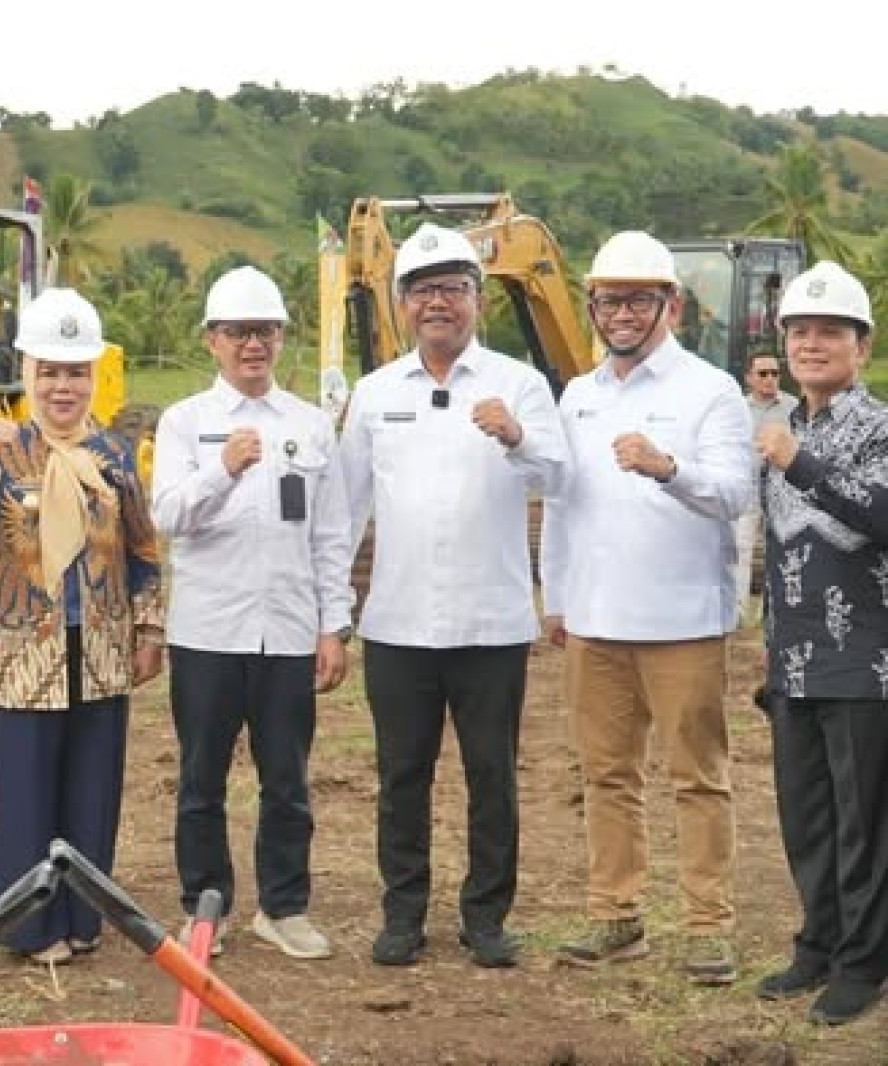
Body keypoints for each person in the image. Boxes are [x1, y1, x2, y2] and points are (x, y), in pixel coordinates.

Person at [339, 224, 567, 969]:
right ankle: (403, 914)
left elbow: (562, 481)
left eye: (455, 288)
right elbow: (345, 511)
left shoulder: (520, 385)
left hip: (491, 623)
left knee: (491, 777)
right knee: (402, 776)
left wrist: (518, 436)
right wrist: (329, 614)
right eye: (425, 289)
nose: (440, 302)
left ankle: (486, 917)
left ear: (479, 301)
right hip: (399, 626)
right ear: (404, 303)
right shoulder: (376, 394)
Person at [541, 230, 753, 984]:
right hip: (596, 623)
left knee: (698, 777)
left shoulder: (711, 390)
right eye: (608, 299)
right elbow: (562, 506)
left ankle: (707, 925)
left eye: (638, 298)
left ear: (673, 304)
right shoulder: (581, 394)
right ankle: (616, 915)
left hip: (683, 624)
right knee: (607, 775)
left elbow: (735, 492)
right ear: (592, 305)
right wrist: (557, 598)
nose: (621, 313)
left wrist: (669, 468)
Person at [0, 288, 163, 965]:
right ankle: (29, 929)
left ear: (94, 375)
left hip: (95, 654)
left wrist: (148, 632)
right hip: (16, 661)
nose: (63, 386)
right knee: (21, 801)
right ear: (26, 371)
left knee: (92, 795)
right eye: (50, 371)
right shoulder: (4, 450)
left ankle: (85, 921)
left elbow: (144, 551)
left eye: (76, 371)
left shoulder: (116, 456)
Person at [152, 266, 354, 960]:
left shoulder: (309, 424)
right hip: (209, 632)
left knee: (288, 781)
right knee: (202, 781)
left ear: (280, 338)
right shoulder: (186, 423)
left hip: (290, 632)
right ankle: (205, 907)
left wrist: (334, 625)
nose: (252, 346)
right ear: (212, 340)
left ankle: (284, 906)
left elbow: (331, 535)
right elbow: (169, 515)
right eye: (237, 333)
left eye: (264, 332)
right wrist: (223, 470)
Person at [753, 261, 888, 1027]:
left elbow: (883, 513)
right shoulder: (787, 426)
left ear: (859, 347)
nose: (810, 343)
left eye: (828, 332)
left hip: (867, 659)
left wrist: (799, 464)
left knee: (863, 818)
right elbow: (778, 550)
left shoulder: (880, 427)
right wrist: (770, 647)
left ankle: (865, 963)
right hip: (795, 656)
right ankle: (819, 942)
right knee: (805, 813)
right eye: (799, 331)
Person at [733, 352, 799, 616]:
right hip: (746, 490)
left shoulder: (795, 407)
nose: (770, 379)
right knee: (741, 548)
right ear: (749, 377)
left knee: (782, 549)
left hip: (783, 491)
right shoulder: (736, 409)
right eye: (763, 373)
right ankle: (737, 611)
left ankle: (773, 611)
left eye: (775, 373)